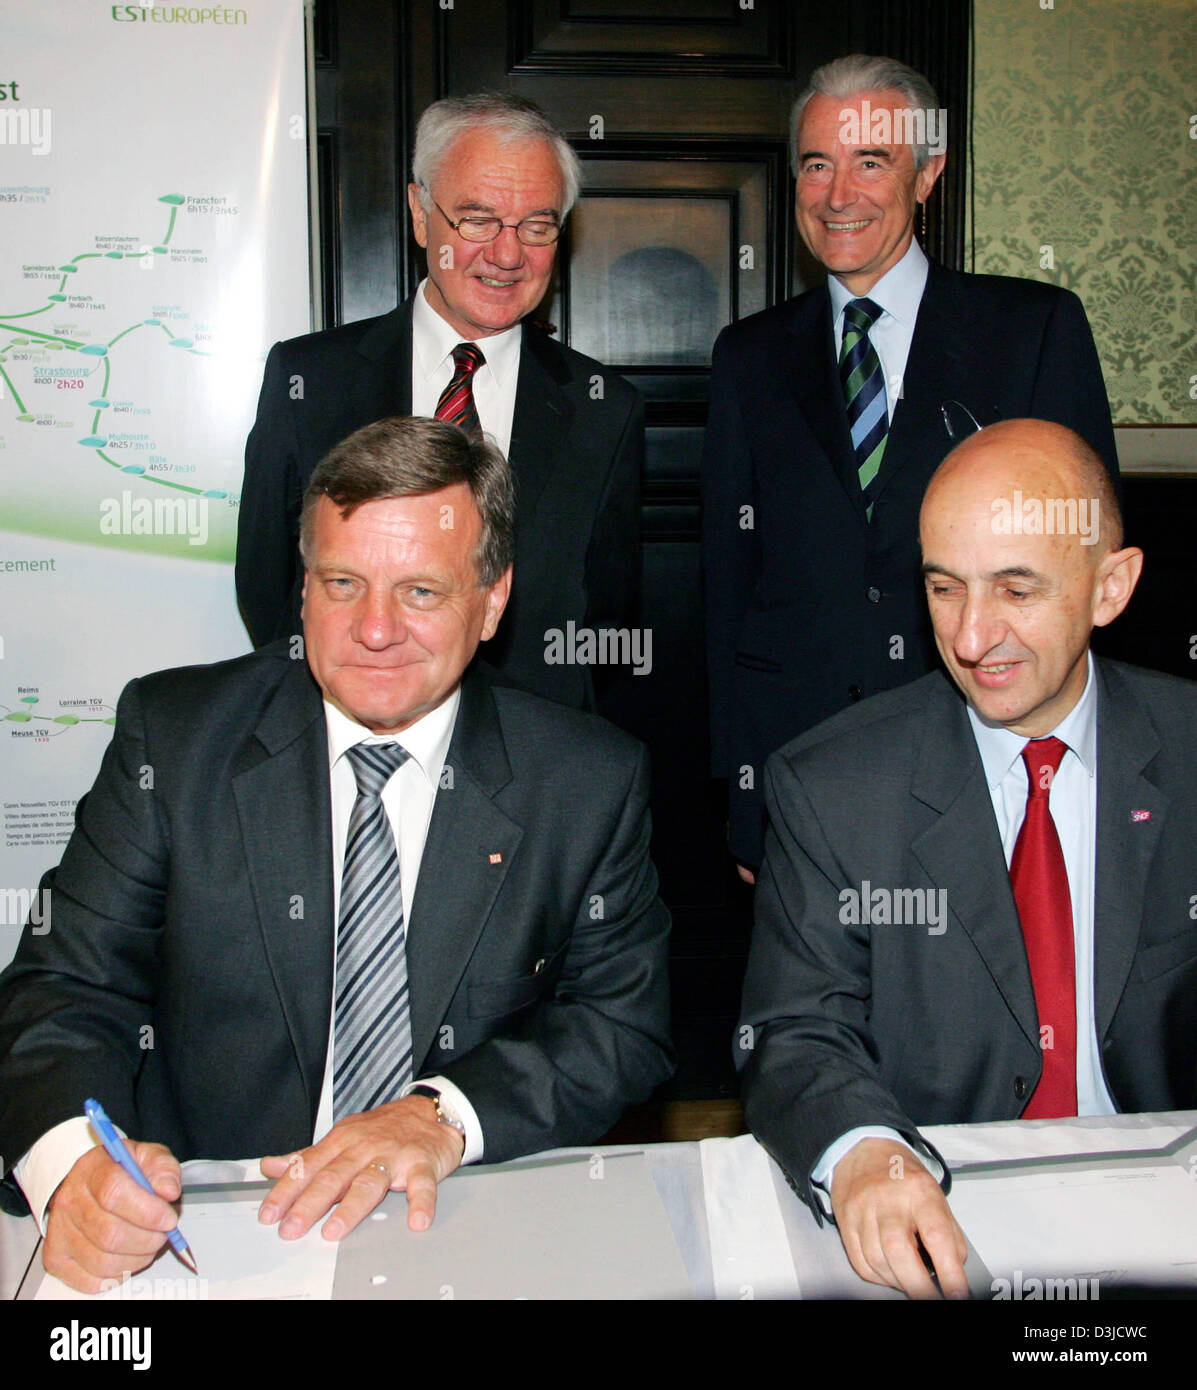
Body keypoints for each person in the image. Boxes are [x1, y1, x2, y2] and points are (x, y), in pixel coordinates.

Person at [0, 416, 673, 1294]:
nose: (375, 630)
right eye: (342, 582)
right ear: (303, 588)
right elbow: (64, 989)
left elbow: (620, 1026)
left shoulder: (584, 781)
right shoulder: (173, 738)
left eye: (422, 592)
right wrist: (71, 1168)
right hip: (209, 1227)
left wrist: (444, 1117)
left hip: (461, 1222)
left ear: (493, 601)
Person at [737, 417, 1196, 1299]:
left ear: (1111, 586)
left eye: (1016, 590)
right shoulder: (833, 785)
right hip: (943, 1211)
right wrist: (866, 1153)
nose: (972, 636)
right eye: (944, 590)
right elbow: (793, 1032)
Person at [702, 54, 1119, 878]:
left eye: (869, 162)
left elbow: (1084, 559)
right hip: (801, 769)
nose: (835, 194)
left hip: (984, 747)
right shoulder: (746, 356)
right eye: (816, 164)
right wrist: (741, 787)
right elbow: (727, 585)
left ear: (927, 174)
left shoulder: (1032, 331)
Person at [236, 92, 643, 711]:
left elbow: (607, 615)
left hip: (534, 764)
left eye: (537, 226)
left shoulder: (604, 408)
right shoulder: (309, 380)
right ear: (421, 213)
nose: (508, 255)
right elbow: (268, 586)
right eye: (477, 220)